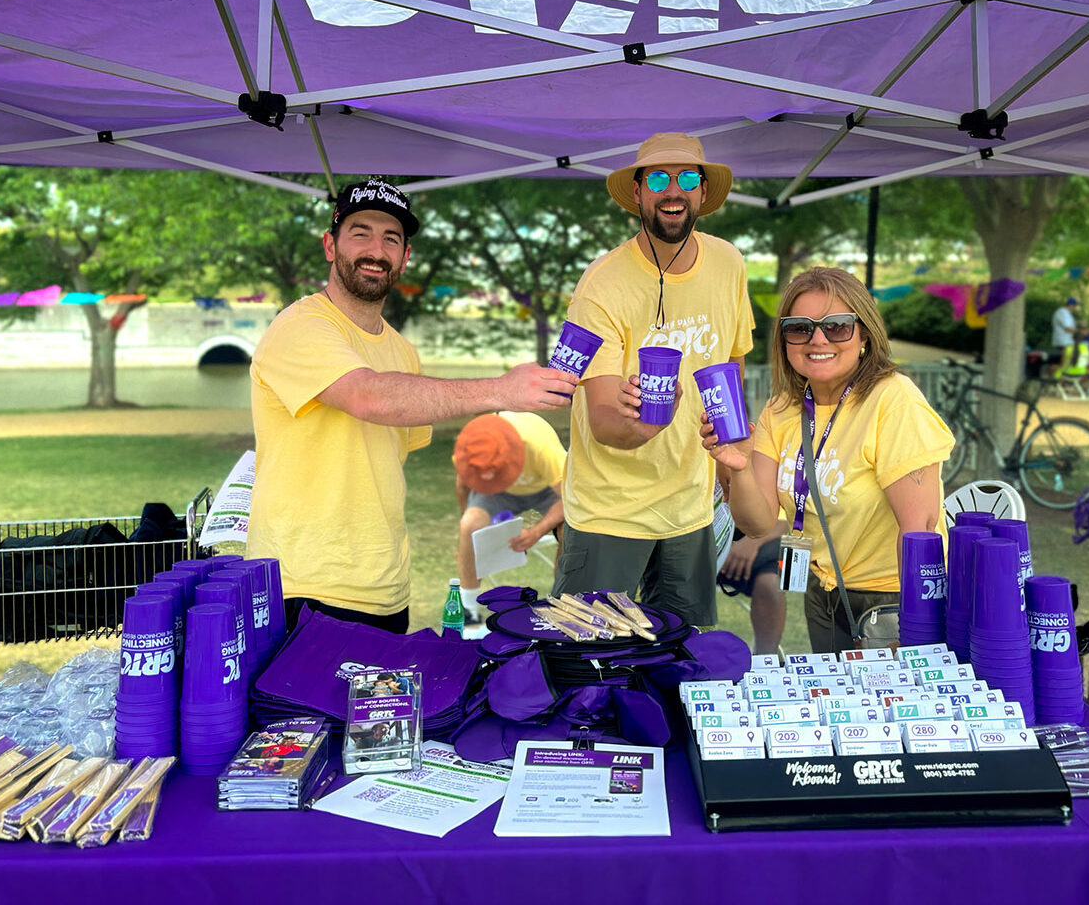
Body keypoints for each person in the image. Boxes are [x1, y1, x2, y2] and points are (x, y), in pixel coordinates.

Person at [247, 178, 579, 635]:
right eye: (360, 233)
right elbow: (369, 396)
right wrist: (501, 391)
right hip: (303, 586)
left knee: (386, 709)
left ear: (405, 258)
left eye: (391, 239)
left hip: (386, 588)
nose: (375, 249)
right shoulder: (300, 326)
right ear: (330, 245)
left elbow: (390, 447)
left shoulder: (403, 352)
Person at [554, 132, 754, 627]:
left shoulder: (729, 263)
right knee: (591, 666)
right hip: (610, 513)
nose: (674, 190)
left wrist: (729, 468)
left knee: (682, 664)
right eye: (659, 178)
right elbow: (601, 419)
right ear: (639, 192)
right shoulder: (601, 285)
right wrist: (641, 426)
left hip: (691, 511)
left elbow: (733, 364)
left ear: (703, 193)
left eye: (687, 178)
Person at [702, 267, 955, 653]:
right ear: (784, 339)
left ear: (864, 335)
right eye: (799, 327)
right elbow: (757, 523)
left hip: (891, 601)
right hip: (823, 592)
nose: (817, 339)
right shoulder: (782, 410)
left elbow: (918, 530)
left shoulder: (892, 399)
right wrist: (739, 468)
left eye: (837, 326)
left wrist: (916, 630)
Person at [453, 411, 566, 623]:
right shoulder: (469, 447)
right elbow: (463, 488)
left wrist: (535, 532)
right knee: (469, 525)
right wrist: (471, 538)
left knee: (570, 530)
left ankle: (562, 605)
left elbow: (569, 499)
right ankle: (468, 611)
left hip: (546, 487)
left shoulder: (540, 447)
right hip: (498, 492)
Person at [718, 527, 788, 656]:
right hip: (700, 533)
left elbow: (791, 520)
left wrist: (751, 542)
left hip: (758, 535)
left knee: (771, 582)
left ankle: (766, 659)